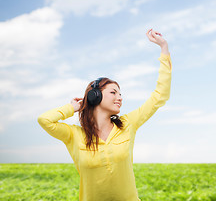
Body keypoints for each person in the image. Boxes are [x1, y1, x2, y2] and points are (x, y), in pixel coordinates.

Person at [38, 29, 172, 201]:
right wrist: (72, 107)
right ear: (96, 96)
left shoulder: (128, 124)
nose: (120, 98)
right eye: (113, 93)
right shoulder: (74, 135)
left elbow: (159, 96)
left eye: (121, 94)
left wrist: (164, 48)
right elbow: (44, 120)